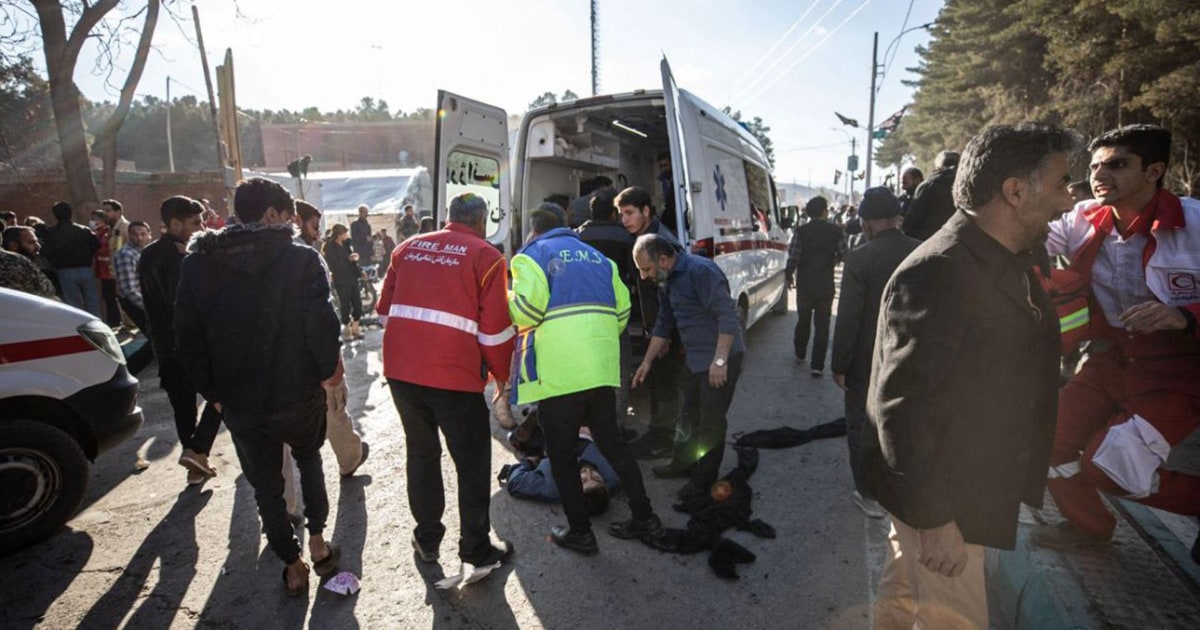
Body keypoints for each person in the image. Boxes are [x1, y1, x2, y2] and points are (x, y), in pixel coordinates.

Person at [869, 123, 1077, 628]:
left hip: (962, 488)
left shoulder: (1001, 258)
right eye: (1061, 184)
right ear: (1014, 190)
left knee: (902, 592)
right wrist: (937, 520)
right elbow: (900, 408)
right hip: (947, 498)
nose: (1069, 201)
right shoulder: (941, 270)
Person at [1031, 124, 1200, 550]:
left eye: (1117, 165)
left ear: (1154, 170)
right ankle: (1089, 528)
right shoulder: (1082, 217)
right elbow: (1023, 238)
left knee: (1111, 467)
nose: (1099, 175)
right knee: (1043, 441)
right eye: (1094, 166)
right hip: (1110, 360)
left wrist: (1185, 315)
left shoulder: (1196, 222)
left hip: (1181, 372)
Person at [174, 178, 341, 596]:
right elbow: (322, 324)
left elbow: (187, 337)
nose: (293, 224)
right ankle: (318, 541)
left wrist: (213, 391)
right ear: (271, 214)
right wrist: (328, 374)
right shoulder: (301, 260)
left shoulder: (197, 263)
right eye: (288, 216)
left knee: (265, 484)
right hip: (298, 391)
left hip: (239, 399)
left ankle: (292, 562)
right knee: (309, 461)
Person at [510, 207, 663, 555]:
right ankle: (646, 518)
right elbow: (623, 313)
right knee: (614, 446)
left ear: (535, 230)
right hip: (600, 371)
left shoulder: (531, 256)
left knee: (562, 457)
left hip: (560, 373)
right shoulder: (599, 259)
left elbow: (527, 312)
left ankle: (580, 532)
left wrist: (506, 298)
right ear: (567, 227)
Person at [376, 192, 515, 575]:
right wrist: (501, 377)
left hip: (402, 374)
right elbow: (494, 333)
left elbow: (385, 313)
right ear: (482, 221)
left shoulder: (406, 248)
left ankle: (427, 539)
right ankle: (475, 548)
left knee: (421, 454)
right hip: (455, 378)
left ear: (448, 217)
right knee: (471, 464)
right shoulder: (486, 257)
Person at [632, 232, 746, 501]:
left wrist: (720, 361)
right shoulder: (666, 279)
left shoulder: (700, 271)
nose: (645, 276)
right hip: (695, 359)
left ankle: (703, 481)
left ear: (663, 259)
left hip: (721, 358)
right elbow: (664, 322)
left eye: (646, 269)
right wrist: (646, 362)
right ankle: (682, 464)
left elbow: (728, 315)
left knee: (710, 423)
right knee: (687, 416)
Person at [830, 188, 920, 520]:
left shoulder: (860, 258)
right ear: (898, 218)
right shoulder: (921, 252)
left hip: (866, 362)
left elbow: (849, 318)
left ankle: (868, 493)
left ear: (866, 223)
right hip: (911, 356)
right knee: (903, 424)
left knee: (862, 425)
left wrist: (838, 364)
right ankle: (900, 488)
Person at [138, 196, 223, 486]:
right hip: (188, 343)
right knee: (221, 394)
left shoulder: (147, 255)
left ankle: (195, 465)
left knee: (183, 407)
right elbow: (184, 301)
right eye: (195, 223)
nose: (200, 227)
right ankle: (198, 450)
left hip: (163, 343)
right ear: (175, 224)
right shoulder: (180, 256)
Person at [616, 186, 684, 461]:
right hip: (655, 326)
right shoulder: (644, 237)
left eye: (630, 213)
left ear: (646, 211)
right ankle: (660, 435)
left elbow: (670, 294)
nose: (624, 220)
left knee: (665, 385)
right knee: (658, 383)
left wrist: (663, 334)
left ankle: (664, 441)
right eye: (621, 214)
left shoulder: (660, 243)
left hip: (665, 329)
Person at [577, 186, 635, 420]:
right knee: (619, 371)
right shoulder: (625, 238)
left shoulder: (576, 236)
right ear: (614, 213)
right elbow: (634, 274)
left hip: (580, 314)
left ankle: (586, 423)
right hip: (613, 314)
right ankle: (617, 423)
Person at [500, 426, 620, 516]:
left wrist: (528, 463)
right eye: (596, 477)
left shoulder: (554, 488)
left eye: (582, 480)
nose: (588, 472)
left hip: (549, 434)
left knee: (521, 436)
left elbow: (516, 482)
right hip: (588, 428)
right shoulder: (613, 477)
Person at [785, 196, 844, 376]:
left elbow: (793, 255)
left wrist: (788, 276)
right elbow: (844, 254)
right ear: (825, 211)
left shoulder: (800, 231)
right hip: (825, 284)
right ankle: (817, 365)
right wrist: (832, 260)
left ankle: (800, 353)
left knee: (803, 320)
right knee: (823, 324)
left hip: (805, 284)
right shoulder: (835, 231)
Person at [42, 201, 99, 315]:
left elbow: (46, 251)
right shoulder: (84, 230)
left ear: (55, 215)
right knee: (92, 301)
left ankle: (79, 327)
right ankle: (96, 324)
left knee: (74, 305)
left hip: (65, 270)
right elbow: (96, 245)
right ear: (71, 213)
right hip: (85, 268)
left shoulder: (51, 233)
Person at [112, 220, 155, 373]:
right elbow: (129, 289)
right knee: (156, 339)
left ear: (149, 235)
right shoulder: (126, 254)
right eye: (135, 234)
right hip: (136, 302)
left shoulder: (146, 251)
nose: (139, 238)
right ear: (129, 235)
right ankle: (127, 371)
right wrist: (151, 307)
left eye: (143, 234)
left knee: (157, 339)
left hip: (146, 300)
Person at [902, 150, 960, 241]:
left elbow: (912, 220)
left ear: (938, 167)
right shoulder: (969, 184)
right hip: (962, 242)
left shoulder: (927, 186)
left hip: (928, 242)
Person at [322, 224, 365, 340]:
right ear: (339, 234)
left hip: (352, 277)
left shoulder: (347, 244)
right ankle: (347, 329)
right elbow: (332, 263)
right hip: (341, 279)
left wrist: (360, 271)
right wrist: (347, 259)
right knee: (345, 304)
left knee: (357, 303)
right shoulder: (330, 247)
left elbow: (352, 261)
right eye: (345, 233)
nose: (347, 235)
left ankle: (356, 327)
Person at [0, 226, 55, 298]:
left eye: (37, 241)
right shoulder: (21, 262)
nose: (38, 246)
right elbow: (48, 291)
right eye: (31, 243)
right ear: (13, 246)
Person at [90, 209, 120, 327]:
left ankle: (115, 321)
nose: (92, 222)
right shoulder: (97, 233)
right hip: (101, 270)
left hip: (109, 270)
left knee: (111, 297)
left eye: (94, 219)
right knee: (107, 297)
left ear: (102, 220)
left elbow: (117, 247)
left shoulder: (110, 233)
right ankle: (112, 320)